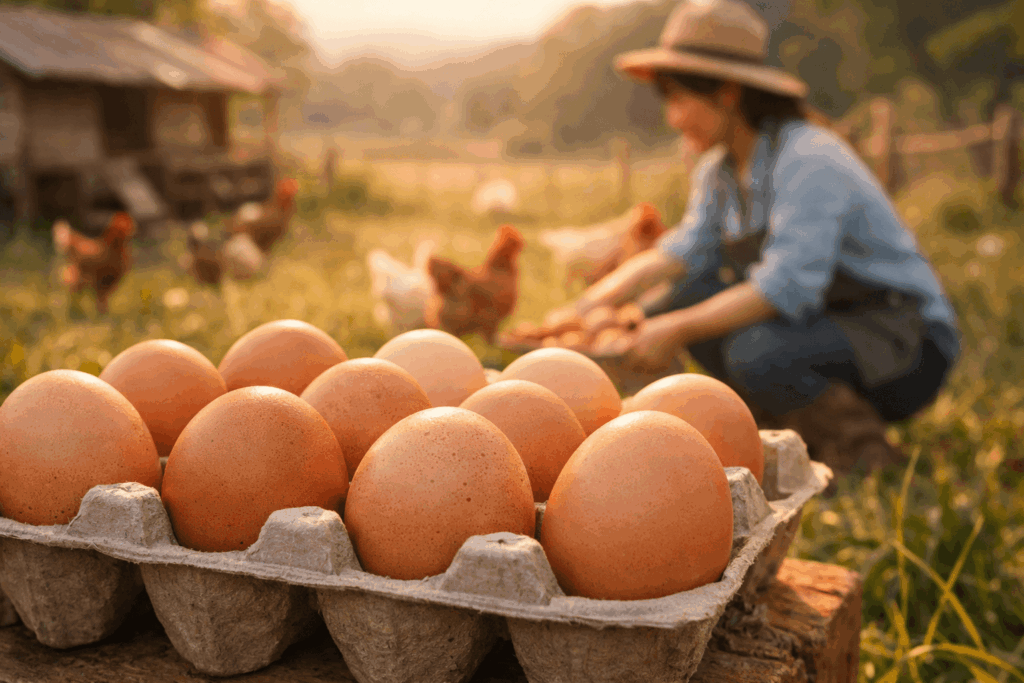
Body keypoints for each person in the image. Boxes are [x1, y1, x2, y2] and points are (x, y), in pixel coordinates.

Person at [561, 0, 961, 469]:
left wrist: (673, 329)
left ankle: (860, 448)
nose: (673, 118)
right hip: (829, 323)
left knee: (756, 352)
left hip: (905, 338)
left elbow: (785, 286)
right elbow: (682, 252)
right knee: (687, 294)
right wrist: (587, 308)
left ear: (727, 94)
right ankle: (785, 429)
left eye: (679, 99)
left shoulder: (808, 159)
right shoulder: (720, 171)